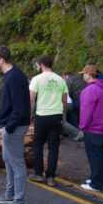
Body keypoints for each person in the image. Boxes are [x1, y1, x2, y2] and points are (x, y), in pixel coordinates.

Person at [0, 45, 30, 204]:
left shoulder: (14, 77)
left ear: (1, 60)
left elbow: (20, 108)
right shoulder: (11, 75)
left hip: (15, 126)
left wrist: (9, 127)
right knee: (8, 160)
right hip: (10, 125)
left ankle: (20, 203)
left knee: (17, 163)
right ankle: (10, 194)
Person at [28, 55, 68, 187]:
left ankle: (38, 173)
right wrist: (61, 113)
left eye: (37, 65)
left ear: (41, 65)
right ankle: (51, 176)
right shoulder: (61, 80)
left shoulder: (36, 79)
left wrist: (31, 114)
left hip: (42, 115)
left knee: (38, 144)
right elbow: (64, 100)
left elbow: (32, 98)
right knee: (53, 147)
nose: (37, 67)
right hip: (56, 115)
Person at [78, 65, 103, 192]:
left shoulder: (90, 90)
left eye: (84, 74)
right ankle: (99, 178)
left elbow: (86, 111)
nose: (83, 76)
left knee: (94, 155)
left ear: (88, 74)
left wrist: (82, 126)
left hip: (93, 127)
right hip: (102, 125)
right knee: (99, 154)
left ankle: (96, 183)